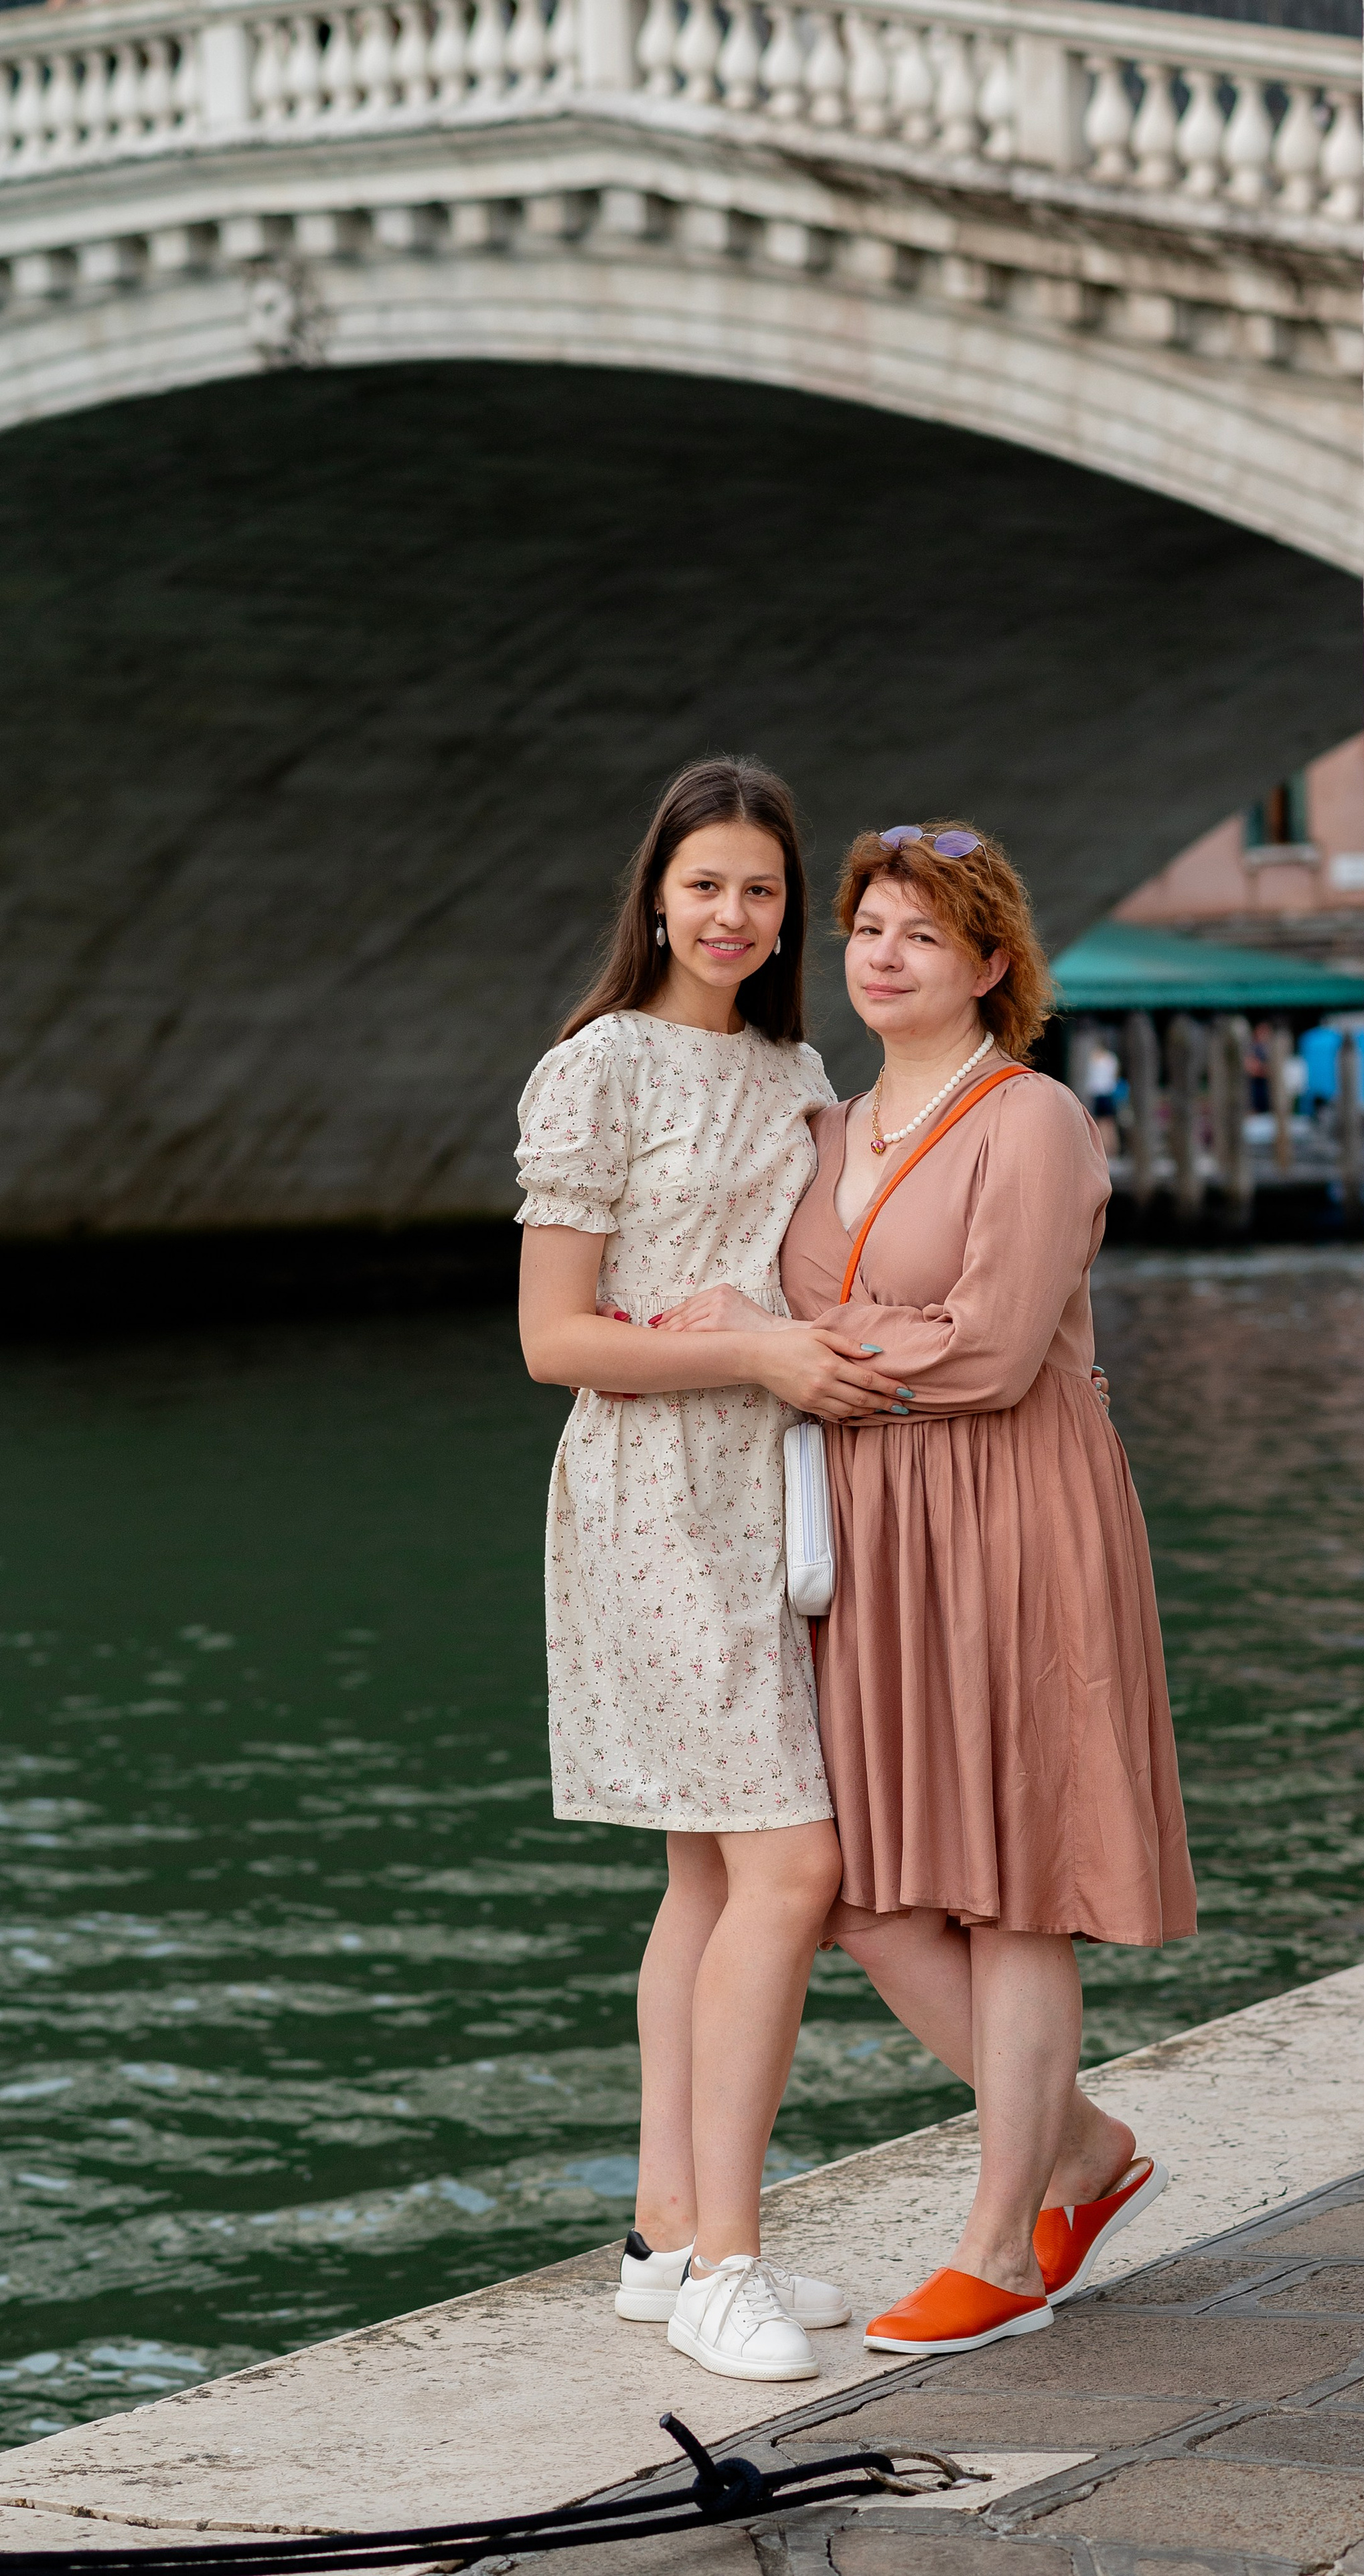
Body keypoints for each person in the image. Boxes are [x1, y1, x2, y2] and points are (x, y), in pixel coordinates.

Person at [656, 821, 1196, 2360]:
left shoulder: (1028, 1120)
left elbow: (993, 1344)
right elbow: (782, 1304)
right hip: (876, 1533)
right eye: (865, 929)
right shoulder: (825, 1128)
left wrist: (790, 1359)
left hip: (1017, 1512)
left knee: (1015, 1882)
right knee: (879, 1894)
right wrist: (729, 1323)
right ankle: (1084, 2148)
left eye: (918, 934)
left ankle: (1004, 2239)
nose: (882, 955)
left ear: (987, 965)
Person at [514, 757, 903, 2385]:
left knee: (708, 1874)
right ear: (654, 895)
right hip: (652, 1492)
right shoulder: (596, 1067)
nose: (732, 916)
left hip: (775, 1484)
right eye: (704, 886)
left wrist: (780, 1344)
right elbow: (553, 1339)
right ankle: (726, 2261)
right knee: (791, 1870)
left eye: (760, 889)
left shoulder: (793, 1061)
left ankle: (665, 2234)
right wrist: (755, 1353)